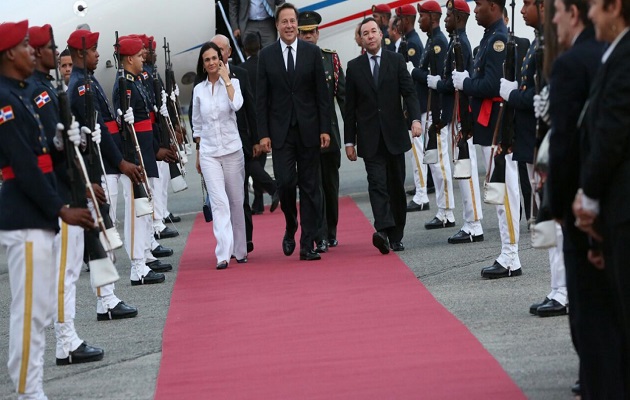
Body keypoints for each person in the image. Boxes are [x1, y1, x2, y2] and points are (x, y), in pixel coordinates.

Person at [0, 19, 95, 399]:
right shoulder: (6, 99)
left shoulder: (19, 92)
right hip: (24, 215)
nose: (32, 53)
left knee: (38, 311)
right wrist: (61, 207)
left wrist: (62, 143)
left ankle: (33, 388)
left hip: (34, 214)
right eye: (25, 46)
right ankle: (27, 393)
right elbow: (23, 164)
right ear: (10, 54)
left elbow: (40, 153)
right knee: (28, 315)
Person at [27, 23, 106, 366]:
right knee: (65, 271)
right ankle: (65, 342)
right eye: (50, 49)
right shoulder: (39, 92)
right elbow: (51, 147)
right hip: (59, 188)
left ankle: (68, 336)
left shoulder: (46, 87)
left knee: (71, 268)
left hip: (69, 184)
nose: (56, 56)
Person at [546, 0, 613, 395]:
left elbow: (565, 147)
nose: (554, 19)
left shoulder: (572, 63)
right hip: (610, 200)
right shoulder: (610, 53)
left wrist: (556, 205)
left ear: (575, 13)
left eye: (557, 11)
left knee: (589, 314)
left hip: (583, 206)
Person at [573, 0, 630, 392]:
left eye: (596, 6)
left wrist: (588, 196)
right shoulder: (615, 53)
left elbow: (610, 134)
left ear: (616, 7)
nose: (591, 14)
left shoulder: (623, 57)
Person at [66, 30, 142, 316]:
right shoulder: (81, 86)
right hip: (95, 167)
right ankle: (105, 300)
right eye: (94, 50)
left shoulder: (87, 81)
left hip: (100, 164)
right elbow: (98, 136)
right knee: (102, 231)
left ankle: (108, 297)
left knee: (105, 229)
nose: (99, 54)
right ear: (80, 54)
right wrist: (120, 162)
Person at [501, 0, 567, 315]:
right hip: (532, 139)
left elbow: (537, 96)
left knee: (553, 220)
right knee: (547, 217)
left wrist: (511, 94)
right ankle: (557, 287)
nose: (523, 9)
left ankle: (562, 290)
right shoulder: (539, 42)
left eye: (528, 4)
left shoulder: (550, 42)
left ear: (543, 7)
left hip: (544, 141)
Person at [453, 0, 523, 279]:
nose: (476, 9)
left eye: (480, 4)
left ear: (494, 6)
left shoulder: (497, 41)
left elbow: (492, 85)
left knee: (504, 190)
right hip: (488, 125)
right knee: (499, 190)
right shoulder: (489, 37)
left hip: (496, 126)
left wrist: (465, 83)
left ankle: (510, 257)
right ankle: (508, 253)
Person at [256, 3, 331, 261]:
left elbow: (322, 95)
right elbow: (261, 99)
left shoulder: (312, 53)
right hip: (280, 133)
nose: (289, 25)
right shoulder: (266, 56)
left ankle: (307, 243)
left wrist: (325, 128)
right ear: (276, 25)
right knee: (286, 183)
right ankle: (291, 224)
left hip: (309, 130)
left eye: (292, 21)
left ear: (297, 24)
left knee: (311, 187)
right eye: (284, 21)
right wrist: (263, 134)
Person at [345, 17, 422, 254]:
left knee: (396, 186)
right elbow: (349, 108)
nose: (370, 36)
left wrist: (416, 120)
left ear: (381, 35)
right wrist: (350, 141)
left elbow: (409, 93)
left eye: (373, 31)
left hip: (395, 134)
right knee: (377, 184)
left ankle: (396, 234)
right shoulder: (354, 67)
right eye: (365, 33)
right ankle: (382, 230)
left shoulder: (396, 60)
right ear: (361, 39)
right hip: (369, 138)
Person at [112, 35, 170, 285]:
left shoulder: (133, 81)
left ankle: (144, 255)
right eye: (137, 56)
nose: (141, 58)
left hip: (144, 152)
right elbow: (125, 127)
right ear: (128, 59)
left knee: (145, 209)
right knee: (137, 211)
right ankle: (137, 267)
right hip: (134, 156)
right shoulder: (124, 85)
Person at [212, 34, 274, 253]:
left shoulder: (242, 74)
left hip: (241, 142)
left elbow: (252, 108)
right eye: (214, 50)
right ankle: (226, 242)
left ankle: (245, 240)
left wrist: (258, 138)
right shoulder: (204, 81)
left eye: (222, 50)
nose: (218, 54)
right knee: (222, 198)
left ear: (229, 52)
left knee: (240, 196)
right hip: (215, 147)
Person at [434, 0, 485, 245]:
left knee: (467, 167)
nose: (445, 19)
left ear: (460, 18)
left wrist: (436, 83)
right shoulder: (456, 42)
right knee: (462, 167)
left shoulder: (461, 44)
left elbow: (457, 84)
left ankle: (473, 224)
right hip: (455, 113)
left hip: (461, 113)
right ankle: (469, 220)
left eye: (449, 15)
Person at [192, 41, 247, 269]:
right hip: (209, 153)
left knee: (236, 201)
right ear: (203, 65)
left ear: (221, 60)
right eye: (207, 60)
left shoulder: (233, 82)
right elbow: (197, 125)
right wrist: (198, 153)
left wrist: (226, 80)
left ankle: (240, 250)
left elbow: (237, 104)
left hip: (233, 150)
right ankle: (222, 253)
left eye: (215, 58)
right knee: (219, 202)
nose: (212, 63)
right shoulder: (198, 90)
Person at [298, 10, 346, 251]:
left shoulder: (330, 59)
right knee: (312, 187)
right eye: (303, 33)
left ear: (317, 33)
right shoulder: (294, 62)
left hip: (331, 135)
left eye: (311, 32)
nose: (307, 36)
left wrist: (352, 136)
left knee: (330, 186)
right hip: (306, 136)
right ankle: (319, 235)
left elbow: (343, 97)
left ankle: (331, 230)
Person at [411, 0, 456, 230]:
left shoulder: (438, 42)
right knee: (436, 162)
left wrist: (414, 72)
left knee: (439, 163)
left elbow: (439, 81)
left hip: (436, 110)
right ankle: (443, 209)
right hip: (432, 111)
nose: (420, 21)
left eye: (423, 16)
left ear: (433, 17)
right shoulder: (431, 41)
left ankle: (447, 212)